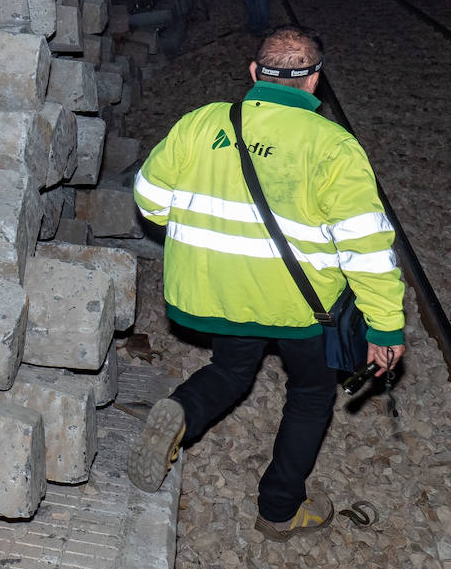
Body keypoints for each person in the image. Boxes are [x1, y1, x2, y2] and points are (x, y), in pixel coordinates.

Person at [128, 26, 405, 541]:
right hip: (303, 311)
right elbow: (366, 250)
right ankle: (279, 509)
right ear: (315, 82)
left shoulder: (203, 122)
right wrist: (385, 329)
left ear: (255, 74)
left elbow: (147, 198)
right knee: (309, 394)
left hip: (219, 293)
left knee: (232, 369)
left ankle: (180, 412)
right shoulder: (335, 147)